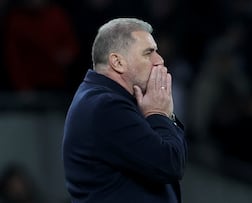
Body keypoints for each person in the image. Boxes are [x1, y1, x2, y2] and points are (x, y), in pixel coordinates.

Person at [61, 18, 188, 203]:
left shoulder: (106, 99)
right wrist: (160, 114)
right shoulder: (105, 107)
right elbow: (170, 164)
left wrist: (162, 114)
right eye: (148, 53)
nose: (159, 60)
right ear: (118, 62)